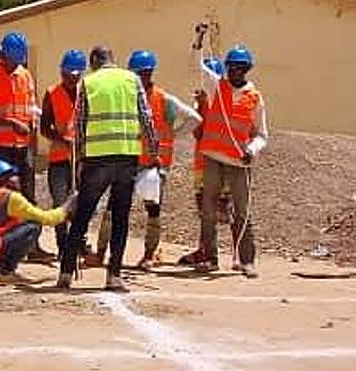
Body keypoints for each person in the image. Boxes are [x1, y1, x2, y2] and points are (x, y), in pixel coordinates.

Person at [56, 45, 159, 292]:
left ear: (93, 62)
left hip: (97, 158)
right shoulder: (132, 79)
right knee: (120, 217)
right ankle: (114, 275)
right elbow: (146, 117)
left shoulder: (88, 83)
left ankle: (66, 273)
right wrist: (153, 150)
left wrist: (80, 157)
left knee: (82, 216)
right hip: (127, 156)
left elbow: (80, 124)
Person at [87, 49, 202, 270]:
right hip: (128, 161)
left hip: (153, 164)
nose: (143, 77)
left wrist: (170, 136)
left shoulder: (163, 99)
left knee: (152, 208)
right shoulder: (127, 96)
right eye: (141, 73)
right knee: (115, 208)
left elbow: (194, 119)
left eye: (145, 73)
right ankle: (101, 252)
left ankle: (149, 254)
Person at [0, 31, 50, 260]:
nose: (14, 66)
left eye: (18, 61)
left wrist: (34, 124)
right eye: (11, 60)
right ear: (2, 55)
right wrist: (10, 122)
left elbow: (30, 108)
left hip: (22, 146)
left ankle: (31, 245)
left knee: (28, 197)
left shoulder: (25, 76)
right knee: (0, 199)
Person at [197, 45, 268, 278]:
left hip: (239, 162)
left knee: (242, 211)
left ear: (247, 69)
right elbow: (197, 66)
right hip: (213, 157)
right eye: (230, 67)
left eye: (239, 67)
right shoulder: (217, 87)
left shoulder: (255, 99)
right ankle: (209, 257)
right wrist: (199, 41)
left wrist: (252, 150)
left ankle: (246, 260)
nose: (234, 71)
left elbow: (261, 135)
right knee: (208, 210)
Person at [0, 159, 73, 283]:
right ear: (3, 179)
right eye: (12, 175)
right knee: (34, 226)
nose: (17, 178)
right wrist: (67, 206)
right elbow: (47, 219)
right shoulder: (11, 198)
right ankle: (5, 272)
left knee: (22, 223)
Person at [178, 56, 238, 267]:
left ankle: (238, 253)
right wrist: (199, 108)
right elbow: (198, 135)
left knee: (226, 209)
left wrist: (203, 108)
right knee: (206, 210)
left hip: (221, 162)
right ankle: (207, 252)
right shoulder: (202, 103)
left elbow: (206, 133)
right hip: (202, 164)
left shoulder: (224, 103)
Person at [40, 49, 87, 260]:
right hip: (59, 160)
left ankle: (79, 243)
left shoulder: (87, 93)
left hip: (80, 160)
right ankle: (62, 245)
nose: (71, 79)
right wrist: (62, 140)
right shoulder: (52, 93)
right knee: (60, 204)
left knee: (80, 203)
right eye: (67, 74)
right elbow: (44, 128)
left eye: (75, 75)